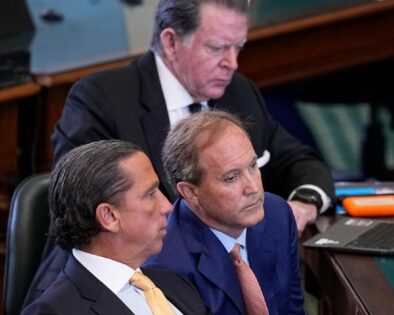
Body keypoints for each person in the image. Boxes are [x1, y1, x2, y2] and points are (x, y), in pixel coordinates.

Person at [24, 0, 334, 307]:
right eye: (217, 48)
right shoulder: (101, 100)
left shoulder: (239, 92)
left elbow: (299, 162)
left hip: (217, 280)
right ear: (171, 42)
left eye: (238, 47)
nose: (233, 63)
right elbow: (83, 211)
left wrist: (303, 205)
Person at [22, 140, 210, 315]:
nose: (167, 206)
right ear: (109, 216)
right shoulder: (55, 311)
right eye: (151, 194)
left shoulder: (178, 285)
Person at [145, 110, 305, 314]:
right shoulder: (165, 265)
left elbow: (293, 309)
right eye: (231, 178)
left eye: (253, 166)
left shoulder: (277, 214)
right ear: (190, 192)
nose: (253, 188)